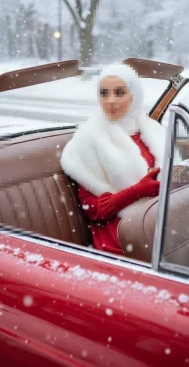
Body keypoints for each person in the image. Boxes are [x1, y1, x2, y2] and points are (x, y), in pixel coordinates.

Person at [60, 63, 166, 255]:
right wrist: (137, 192)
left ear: (134, 96)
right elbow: (93, 209)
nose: (110, 101)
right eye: (104, 93)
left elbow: (168, 171)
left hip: (158, 219)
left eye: (119, 93)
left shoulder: (152, 129)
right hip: (121, 232)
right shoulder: (88, 139)